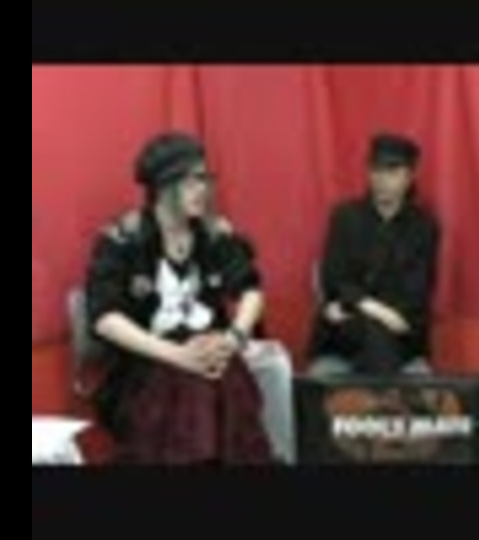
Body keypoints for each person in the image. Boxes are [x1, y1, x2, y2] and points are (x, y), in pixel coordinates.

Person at [84, 132, 294, 464]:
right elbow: (104, 317)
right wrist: (177, 354)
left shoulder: (214, 234)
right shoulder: (123, 239)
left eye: (206, 179)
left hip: (213, 354)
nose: (203, 189)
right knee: (195, 386)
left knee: (221, 377)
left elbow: (251, 290)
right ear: (163, 185)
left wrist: (233, 338)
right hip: (147, 360)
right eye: (192, 180)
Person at [308, 133, 441, 377]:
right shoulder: (345, 217)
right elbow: (334, 280)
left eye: (392, 172)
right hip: (347, 332)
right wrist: (376, 310)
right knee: (373, 335)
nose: (382, 180)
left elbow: (415, 294)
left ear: (409, 176)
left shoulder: (424, 227)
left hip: (399, 333)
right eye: (376, 170)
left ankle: (376, 392)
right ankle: (386, 393)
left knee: (378, 338)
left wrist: (354, 302)